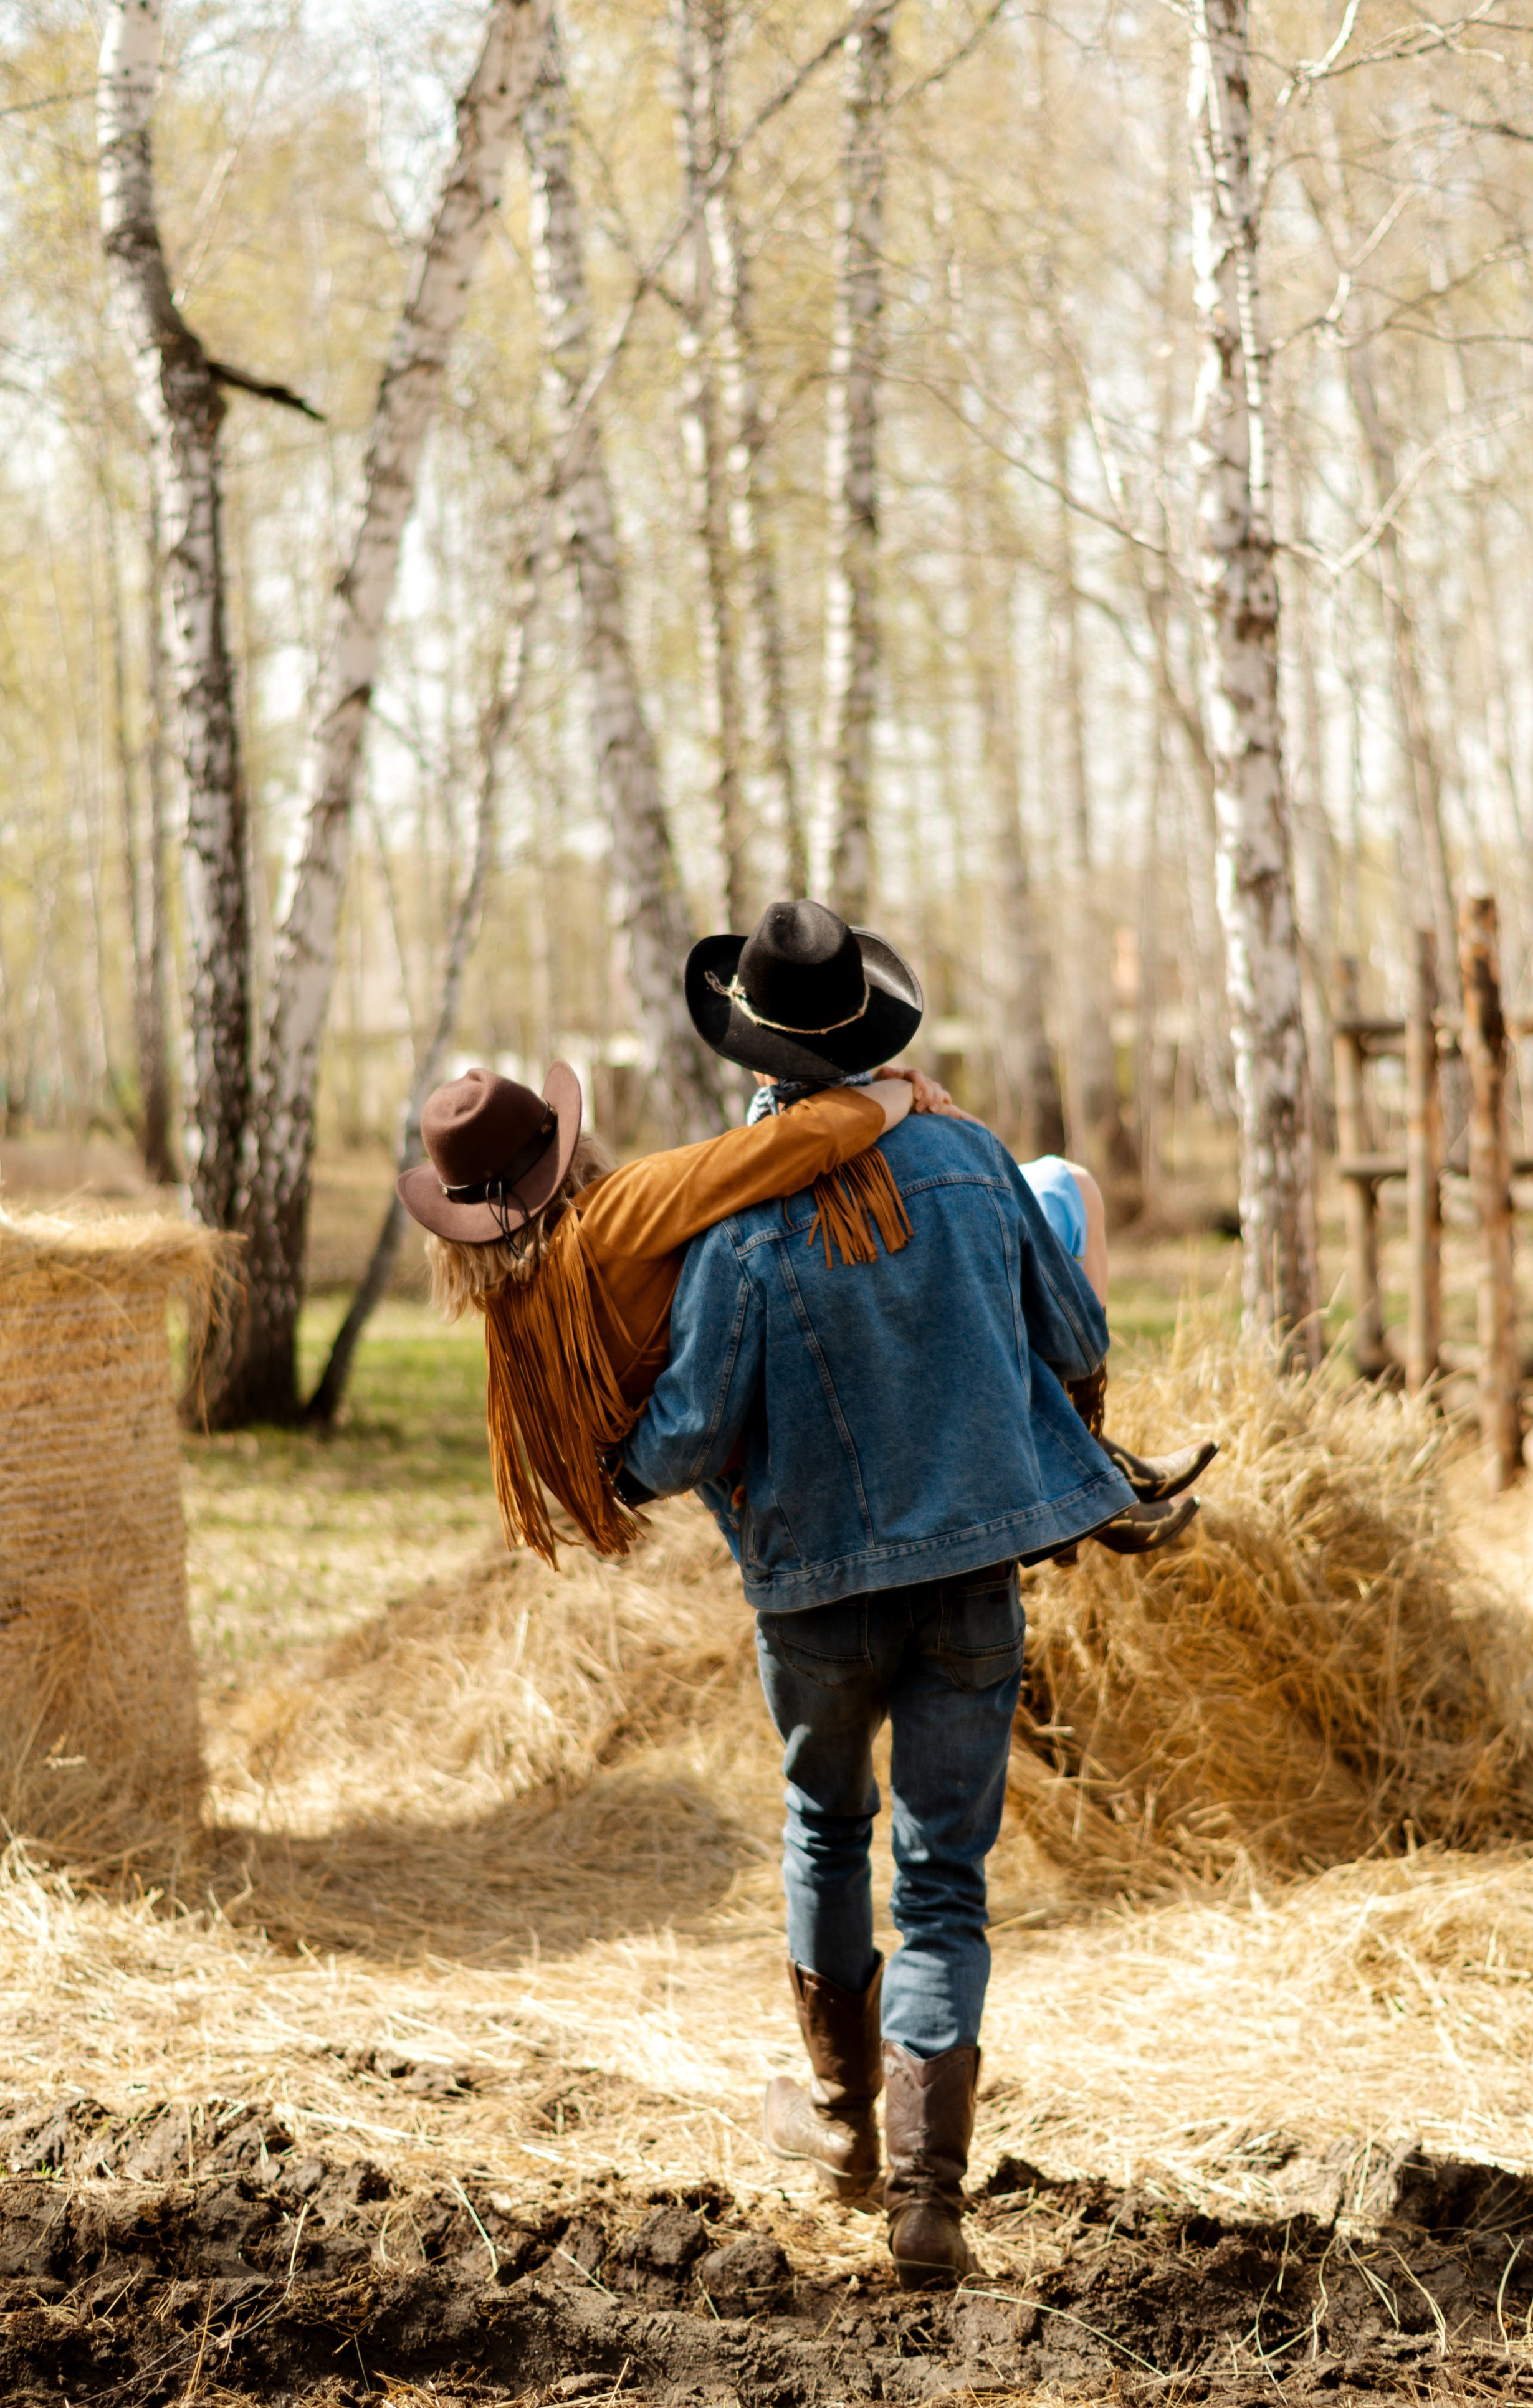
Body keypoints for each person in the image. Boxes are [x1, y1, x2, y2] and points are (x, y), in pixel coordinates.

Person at [619, 900, 1208, 2290]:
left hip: (814, 1595)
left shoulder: (735, 1209)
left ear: (751, 1051)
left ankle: (840, 2135)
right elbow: (1071, 1331)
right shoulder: (964, 1154)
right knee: (944, 1882)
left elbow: (691, 1434)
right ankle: (929, 2200)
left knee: (826, 1825)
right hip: (969, 1577)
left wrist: (603, 1454)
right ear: (870, 1032)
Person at [394, 1040, 946, 1559]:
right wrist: (896, 1091)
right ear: (565, 1144)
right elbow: (791, 1146)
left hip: (742, 1499)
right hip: (812, 1480)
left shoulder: (518, 1306)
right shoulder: (610, 1219)